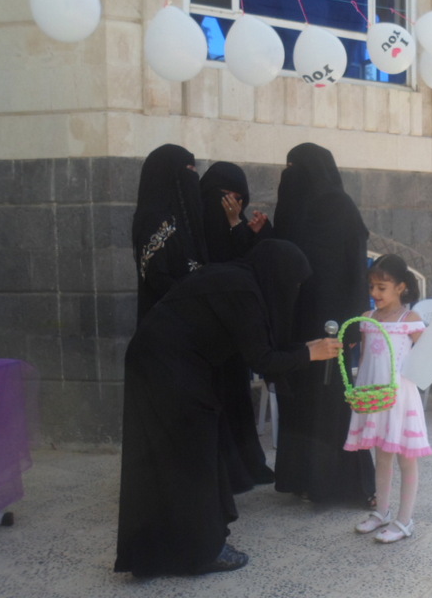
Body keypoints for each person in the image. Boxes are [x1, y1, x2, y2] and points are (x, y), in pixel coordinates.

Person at [115, 240, 342, 577]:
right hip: (167, 368)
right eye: (292, 283)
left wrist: (306, 348)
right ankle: (201, 553)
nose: (292, 292)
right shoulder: (244, 291)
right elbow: (262, 359)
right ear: (278, 274)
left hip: (161, 362)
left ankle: (166, 552)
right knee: (194, 456)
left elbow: (258, 346)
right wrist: (310, 354)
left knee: (171, 457)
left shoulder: (239, 279)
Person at [272, 143, 375, 504]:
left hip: (333, 326)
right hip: (297, 326)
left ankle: (338, 485)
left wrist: (354, 325)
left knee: (331, 402)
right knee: (299, 401)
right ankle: (301, 479)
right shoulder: (291, 208)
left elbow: (357, 271)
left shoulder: (340, 207)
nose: (289, 175)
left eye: (294, 167)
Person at [344, 255, 432, 543]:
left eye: (382, 287)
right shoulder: (367, 318)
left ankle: (405, 520)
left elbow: (429, 356)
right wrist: (360, 389)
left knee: (406, 459)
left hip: (401, 397)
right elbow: (365, 358)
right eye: (372, 287)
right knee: (382, 455)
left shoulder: (409, 320)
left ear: (400, 287)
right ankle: (382, 512)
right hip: (376, 398)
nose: (375, 293)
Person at [200, 161, 275, 490]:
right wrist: (234, 228)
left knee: (237, 396)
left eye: (239, 198)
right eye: (225, 196)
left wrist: (251, 231)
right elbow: (218, 266)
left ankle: (247, 464)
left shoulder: (237, 223)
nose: (232, 204)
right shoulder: (200, 225)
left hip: (235, 329)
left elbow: (250, 266)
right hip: (207, 328)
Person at [131, 144, 208, 325]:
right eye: (189, 169)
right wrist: (192, 301)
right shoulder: (152, 220)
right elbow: (157, 276)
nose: (194, 175)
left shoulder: (186, 218)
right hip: (166, 322)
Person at [200, 161, 272, 263]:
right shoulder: (193, 222)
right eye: (225, 193)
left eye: (237, 197)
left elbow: (247, 256)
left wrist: (236, 222)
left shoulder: (240, 223)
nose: (231, 201)